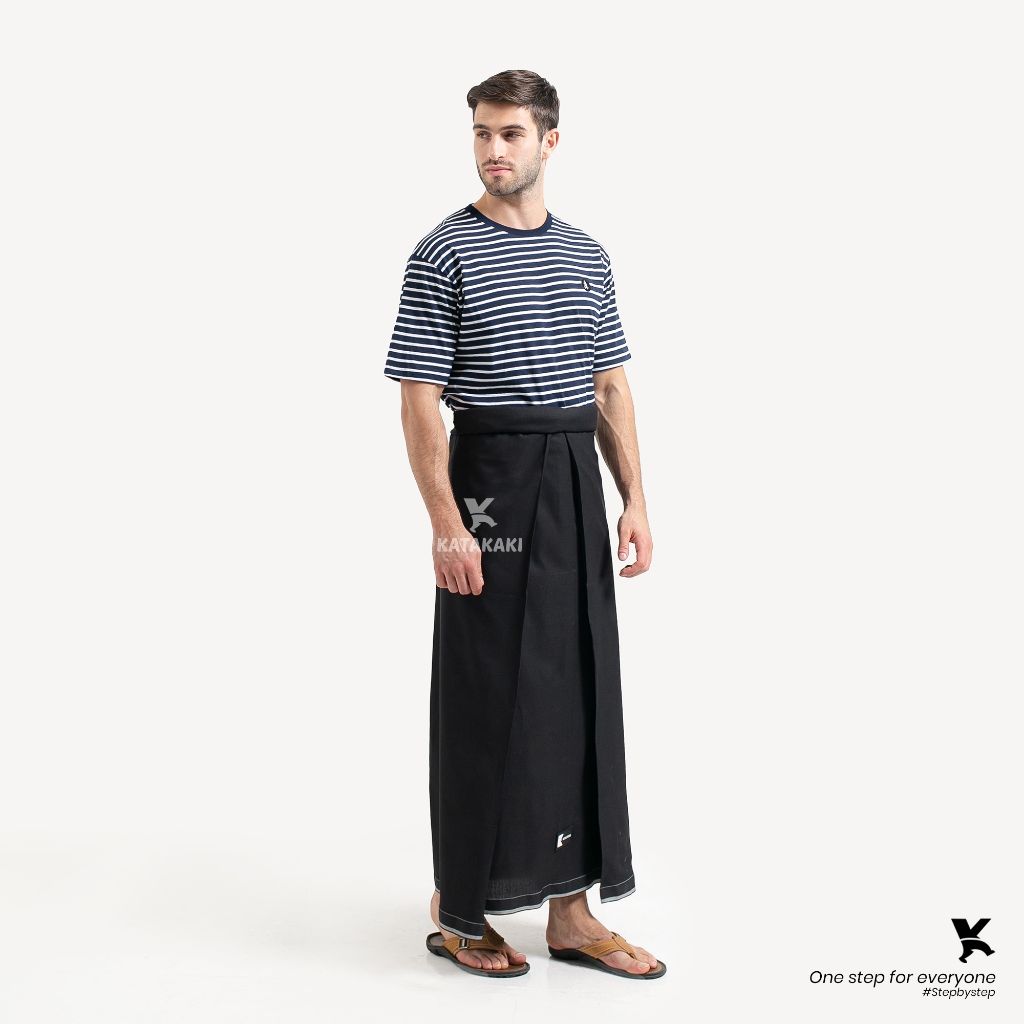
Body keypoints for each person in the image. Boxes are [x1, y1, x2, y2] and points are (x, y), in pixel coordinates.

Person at [385, 70, 665, 980]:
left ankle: (572, 916)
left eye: (509, 133)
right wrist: (447, 523)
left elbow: (609, 384)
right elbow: (419, 398)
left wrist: (634, 498)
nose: (492, 149)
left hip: (574, 480)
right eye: (481, 133)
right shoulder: (443, 251)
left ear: (550, 141)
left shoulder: (587, 255)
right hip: (493, 483)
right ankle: (462, 908)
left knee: (577, 692)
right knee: (487, 699)